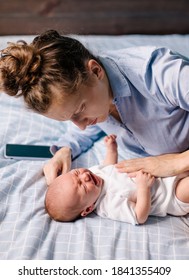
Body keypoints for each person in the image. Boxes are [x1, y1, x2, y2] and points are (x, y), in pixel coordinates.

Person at [1, 29, 189, 185]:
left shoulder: (159, 73)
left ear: (96, 71)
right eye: (69, 119)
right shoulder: (95, 97)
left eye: (79, 110)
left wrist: (177, 162)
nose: (81, 125)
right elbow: (87, 127)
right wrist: (65, 149)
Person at [45, 134, 189, 224]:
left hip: (165, 169)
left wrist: (111, 150)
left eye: (76, 173)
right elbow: (139, 216)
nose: (85, 176)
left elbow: (109, 167)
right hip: (171, 195)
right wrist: (143, 188)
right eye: (82, 185)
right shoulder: (108, 205)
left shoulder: (94, 173)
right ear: (88, 208)